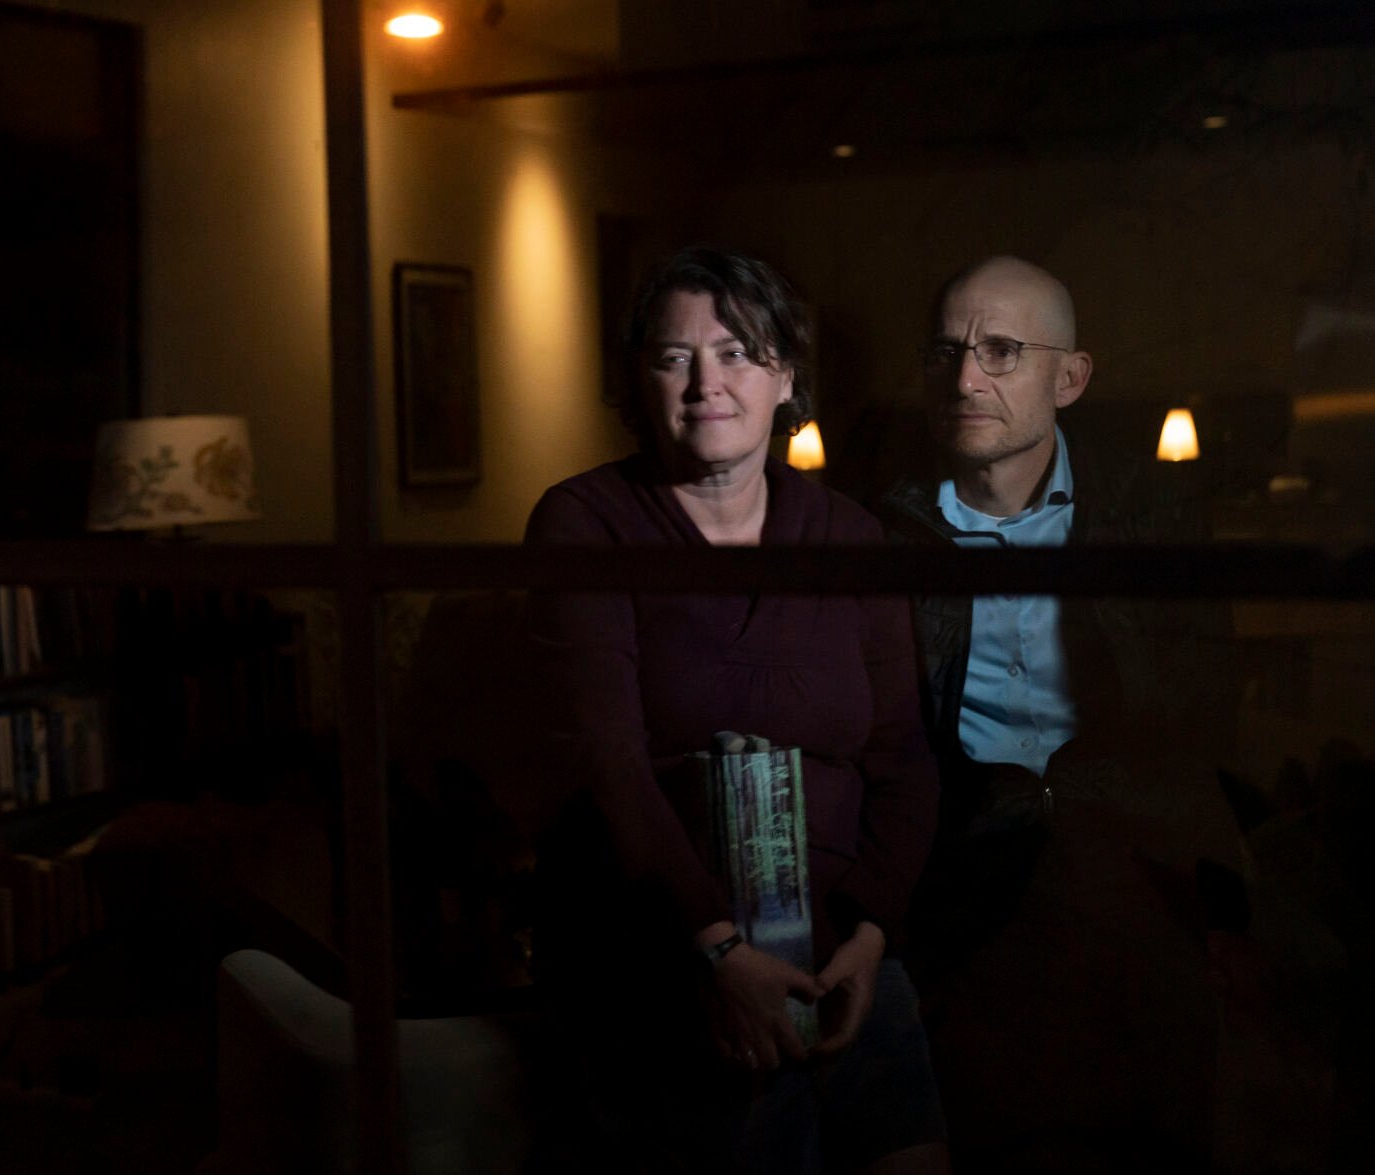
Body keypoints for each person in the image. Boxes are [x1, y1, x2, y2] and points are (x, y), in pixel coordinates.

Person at [523, 245, 948, 1174]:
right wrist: (717, 952)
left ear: (784, 374)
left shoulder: (849, 536)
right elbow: (608, 763)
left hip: (849, 961)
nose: (705, 382)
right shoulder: (585, 522)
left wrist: (872, 936)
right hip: (670, 965)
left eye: (737, 352)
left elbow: (903, 756)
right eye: (675, 357)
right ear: (640, 380)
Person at [876, 255, 1248, 1168]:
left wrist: (1217, 910)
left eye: (1000, 351)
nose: (963, 378)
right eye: (945, 352)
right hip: (963, 899)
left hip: (1129, 889)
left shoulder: (1148, 515)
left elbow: (1201, 718)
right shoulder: (882, 530)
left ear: (1069, 377)